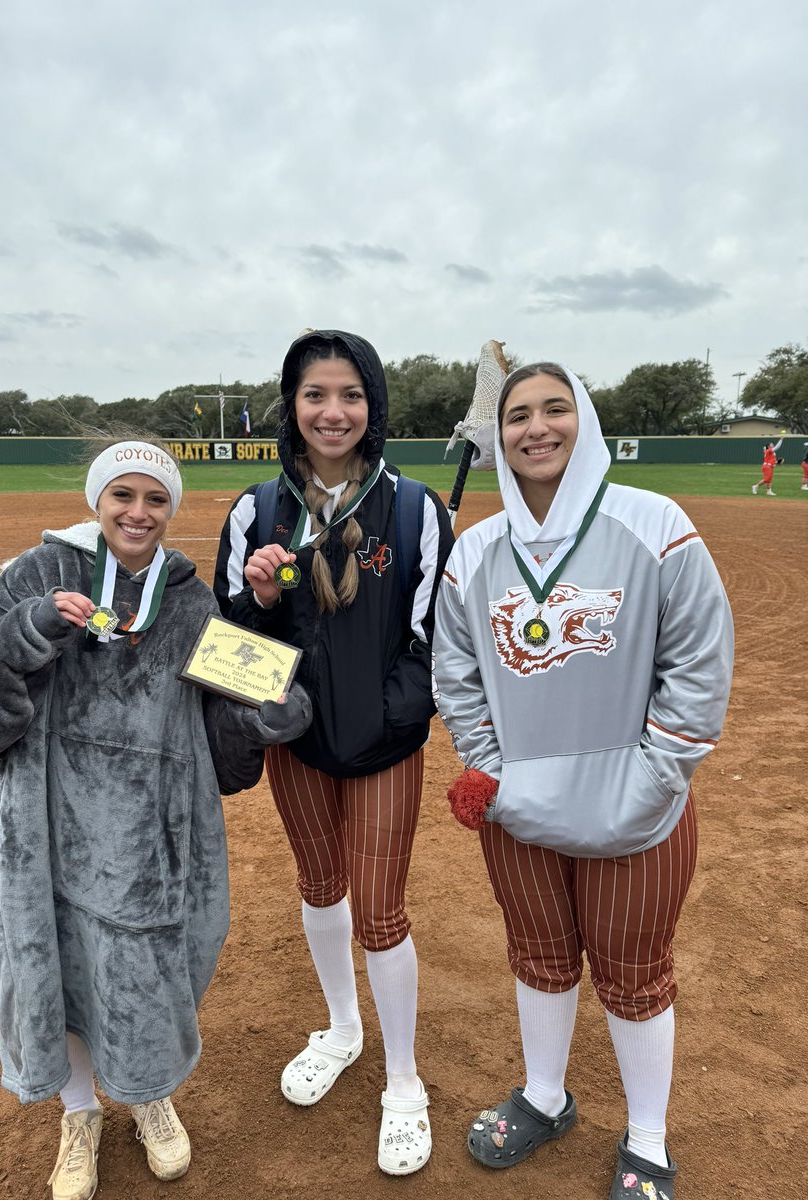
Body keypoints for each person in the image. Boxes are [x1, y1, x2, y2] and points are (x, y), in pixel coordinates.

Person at [0, 438, 311, 1200]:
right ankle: (79, 1114)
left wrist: (265, 715)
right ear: (98, 501)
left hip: (148, 839)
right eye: (123, 496)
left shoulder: (190, 598)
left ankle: (146, 1093)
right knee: (61, 968)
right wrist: (27, 629)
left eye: (155, 499)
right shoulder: (36, 573)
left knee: (143, 974)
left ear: (172, 510)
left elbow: (216, 716)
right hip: (47, 829)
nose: (139, 512)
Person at [433, 364, 733, 1200]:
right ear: (499, 434)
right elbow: (455, 673)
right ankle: (545, 1096)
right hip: (520, 808)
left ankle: (647, 1138)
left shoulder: (654, 524)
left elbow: (698, 665)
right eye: (518, 414)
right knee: (537, 957)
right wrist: (492, 771)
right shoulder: (477, 550)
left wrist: (656, 777)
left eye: (554, 409)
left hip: (636, 807)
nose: (536, 428)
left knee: (635, 975)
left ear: (585, 420)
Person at [214, 329, 454, 1175]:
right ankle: (345, 1029)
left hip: (385, 747)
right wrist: (263, 598)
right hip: (299, 747)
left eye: (350, 394)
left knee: (382, 912)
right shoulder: (254, 509)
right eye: (315, 394)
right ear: (293, 406)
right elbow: (229, 647)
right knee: (320, 889)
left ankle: (403, 1080)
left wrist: (392, 717)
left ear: (373, 406)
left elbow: (439, 643)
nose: (333, 411)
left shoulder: (419, 508)